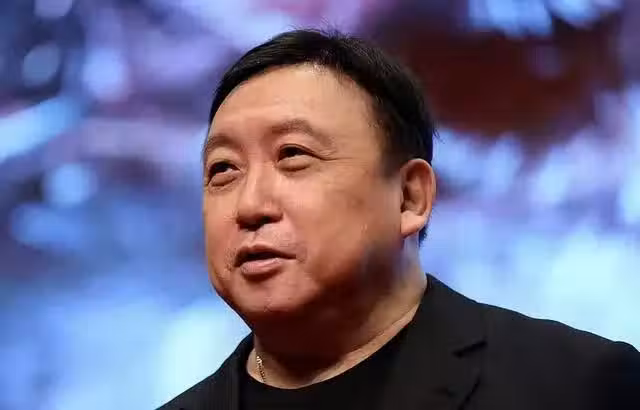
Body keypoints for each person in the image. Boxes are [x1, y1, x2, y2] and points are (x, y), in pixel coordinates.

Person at [159, 29, 640, 410]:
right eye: (223, 170)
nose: (250, 206)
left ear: (410, 197)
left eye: (293, 155)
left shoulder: (578, 385)